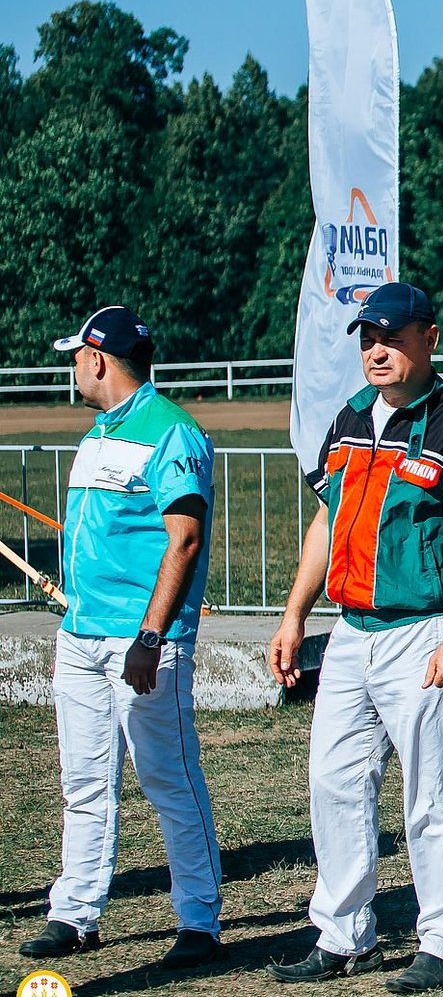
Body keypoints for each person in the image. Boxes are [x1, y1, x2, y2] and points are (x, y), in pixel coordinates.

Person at [265, 282, 443, 993]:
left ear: (429, 339)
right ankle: (342, 934)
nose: (376, 350)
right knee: (335, 782)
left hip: (422, 632)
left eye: (392, 336)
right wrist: (293, 615)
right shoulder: (350, 417)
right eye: (367, 338)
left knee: (434, 795)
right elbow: (326, 522)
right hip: (349, 631)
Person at [20, 306, 224, 971]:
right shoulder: (99, 432)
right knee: (83, 782)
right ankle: (74, 914)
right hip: (80, 636)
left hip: (140, 641)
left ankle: (199, 920)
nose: (73, 366)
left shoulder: (172, 431)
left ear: (99, 359)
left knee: (170, 779)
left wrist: (150, 635)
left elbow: (184, 539)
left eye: (77, 355)